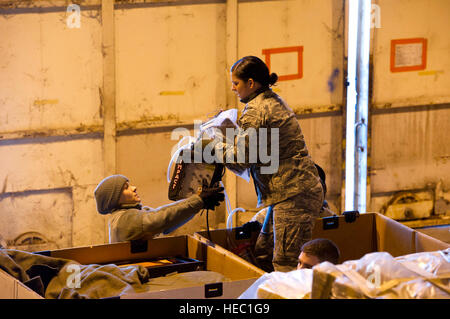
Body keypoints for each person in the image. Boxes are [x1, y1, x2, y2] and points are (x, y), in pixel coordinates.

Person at [206, 56, 324, 272]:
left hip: (294, 196)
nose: (233, 88)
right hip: (289, 192)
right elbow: (258, 146)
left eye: (236, 83)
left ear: (251, 83)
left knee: (285, 265)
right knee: (263, 250)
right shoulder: (271, 100)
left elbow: (241, 159)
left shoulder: (256, 111)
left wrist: (213, 143)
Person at [94, 174, 224, 243]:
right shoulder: (124, 220)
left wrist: (198, 202)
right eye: (126, 187)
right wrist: (198, 200)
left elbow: (161, 214)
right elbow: (159, 220)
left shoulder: (127, 215)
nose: (134, 188)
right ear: (115, 199)